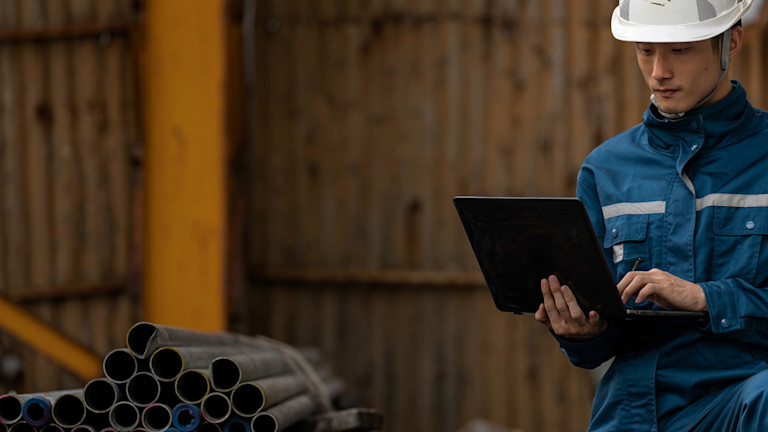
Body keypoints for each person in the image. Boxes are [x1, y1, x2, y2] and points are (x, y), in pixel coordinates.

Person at [533, 0, 768, 430]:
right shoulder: (606, 170)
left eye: (679, 51)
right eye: (645, 50)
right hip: (633, 412)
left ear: (729, 42)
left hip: (745, 402)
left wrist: (705, 297)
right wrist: (580, 332)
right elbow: (599, 343)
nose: (659, 70)